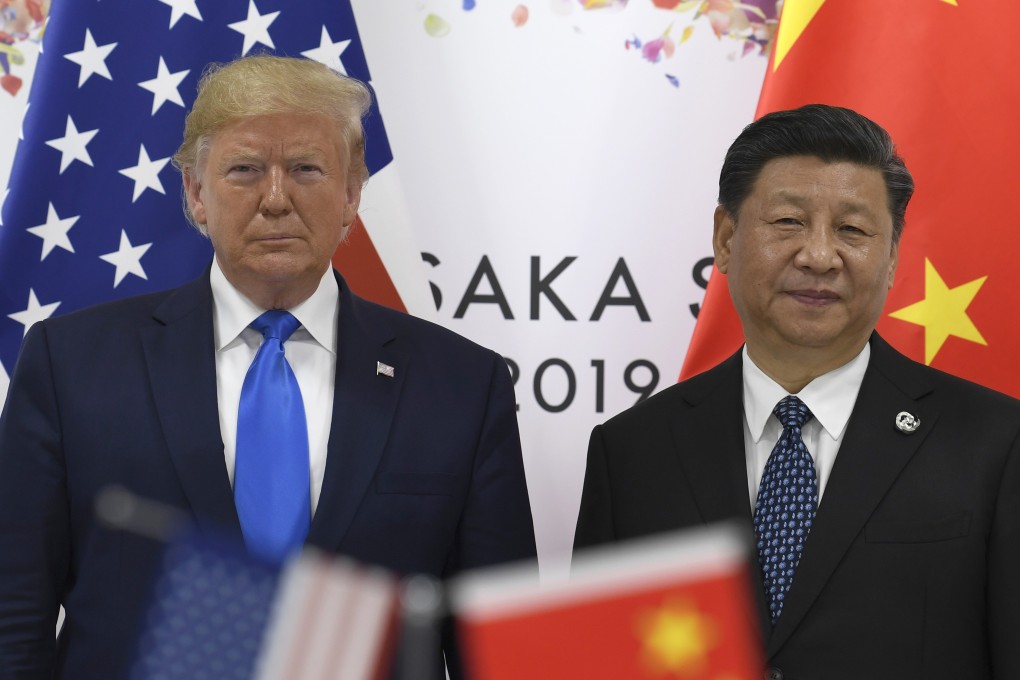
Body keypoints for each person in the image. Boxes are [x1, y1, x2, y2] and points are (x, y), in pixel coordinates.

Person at [0, 54, 536, 679]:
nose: (276, 198)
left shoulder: (462, 386)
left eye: (306, 169)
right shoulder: (71, 366)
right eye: (245, 170)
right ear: (196, 194)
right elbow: (15, 615)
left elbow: (502, 648)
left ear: (351, 194)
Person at [573, 104, 1019, 679]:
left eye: (853, 230)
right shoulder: (632, 451)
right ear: (727, 239)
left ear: (891, 260)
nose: (818, 256)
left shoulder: (995, 444)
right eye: (788, 222)